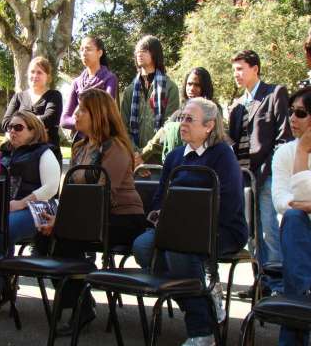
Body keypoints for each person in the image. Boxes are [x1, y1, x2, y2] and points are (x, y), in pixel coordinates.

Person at [133, 97, 248, 346]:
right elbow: (159, 198)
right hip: (175, 230)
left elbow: (230, 205)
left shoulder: (222, 156)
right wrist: (157, 214)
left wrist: (192, 223)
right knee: (143, 247)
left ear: (208, 126)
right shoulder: (175, 157)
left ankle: (201, 332)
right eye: (181, 118)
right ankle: (206, 302)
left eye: (188, 119)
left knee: (180, 249)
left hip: (222, 230)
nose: (182, 124)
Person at [41, 88, 146, 336]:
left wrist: (63, 221)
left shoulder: (117, 148)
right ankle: (82, 299)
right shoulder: (80, 147)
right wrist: (55, 217)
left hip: (123, 218)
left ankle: (83, 300)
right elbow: (71, 192)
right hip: (88, 218)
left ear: (98, 115)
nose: (75, 114)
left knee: (63, 237)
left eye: (82, 110)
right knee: (45, 237)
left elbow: (101, 196)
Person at [228, 50, 292, 297]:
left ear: (255, 68)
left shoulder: (274, 93)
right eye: (234, 69)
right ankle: (261, 284)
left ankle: (278, 286)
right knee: (251, 233)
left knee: (269, 231)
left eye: (241, 68)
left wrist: (268, 170)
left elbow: (283, 137)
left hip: (267, 175)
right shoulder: (236, 105)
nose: (237, 74)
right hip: (244, 178)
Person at [0, 110, 60, 309]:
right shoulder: (3, 153)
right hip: (3, 209)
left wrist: (21, 203)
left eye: (18, 127)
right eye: (9, 127)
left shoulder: (44, 152)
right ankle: (4, 281)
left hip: (37, 209)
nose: (12, 131)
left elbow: (51, 188)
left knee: (1, 230)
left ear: (33, 130)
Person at [272, 87, 311, 346]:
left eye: (301, 113)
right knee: (295, 218)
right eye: (290, 112)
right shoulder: (285, 152)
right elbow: (283, 202)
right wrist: (301, 152)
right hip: (299, 236)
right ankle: (306, 300)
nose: (292, 119)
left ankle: (302, 303)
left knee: (294, 280)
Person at [121, 35, 179, 166]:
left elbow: (168, 127)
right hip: (132, 160)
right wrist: (135, 153)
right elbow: (122, 126)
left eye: (145, 50)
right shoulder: (129, 90)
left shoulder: (170, 88)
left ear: (155, 54)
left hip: (159, 159)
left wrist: (145, 154)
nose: (140, 53)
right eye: (138, 51)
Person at [139, 67, 216, 165]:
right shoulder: (179, 113)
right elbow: (161, 135)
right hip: (180, 167)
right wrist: (142, 155)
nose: (191, 89)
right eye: (189, 84)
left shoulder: (213, 111)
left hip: (205, 165)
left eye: (197, 85)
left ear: (205, 87)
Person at [1, 56, 63, 163]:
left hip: (47, 153)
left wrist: (20, 126)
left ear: (47, 76)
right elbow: (6, 122)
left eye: (39, 72)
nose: (35, 75)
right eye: (32, 72)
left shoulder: (54, 96)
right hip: (20, 156)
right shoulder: (18, 97)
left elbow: (50, 119)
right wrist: (37, 124)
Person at [60, 36, 118, 140]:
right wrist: (84, 123)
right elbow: (64, 120)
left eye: (88, 49)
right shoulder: (76, 83)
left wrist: (80, 121)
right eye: (81, 49)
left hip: (101, 140)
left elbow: (105, 115)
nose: (84, 53)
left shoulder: (109, 79)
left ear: (99, 53)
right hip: (79, 142)